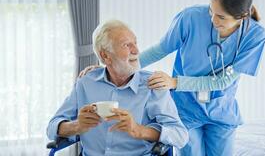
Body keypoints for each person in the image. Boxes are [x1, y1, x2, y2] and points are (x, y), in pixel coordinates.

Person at [80, 0, 265, 156]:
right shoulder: (190, 18)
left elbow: (223, 81)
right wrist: (108, 67)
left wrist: (174, 82)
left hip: (221, 109)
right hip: (185, 108)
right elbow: (160, 49)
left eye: (221, 17)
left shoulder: (254, 36)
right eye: (211, 11)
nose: (212, 20)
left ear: (242, 16)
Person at [47, 20, 188, 156]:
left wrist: (138, 130)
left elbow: (180, 135)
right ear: (105, 56)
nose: (136, 50)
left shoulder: (153, 85)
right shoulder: (86, 82)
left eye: (135, 43)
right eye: (127, 45)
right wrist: (77, 126)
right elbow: (52, 127)